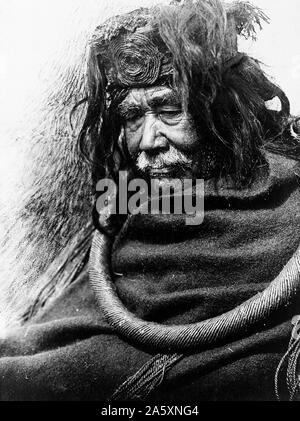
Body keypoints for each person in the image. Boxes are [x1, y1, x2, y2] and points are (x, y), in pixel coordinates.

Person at [0, 0, 300, 401]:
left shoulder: (288, 201)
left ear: (222, 111)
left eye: (170, 110)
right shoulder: (133, 211)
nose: (147, 141)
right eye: (132, 117)